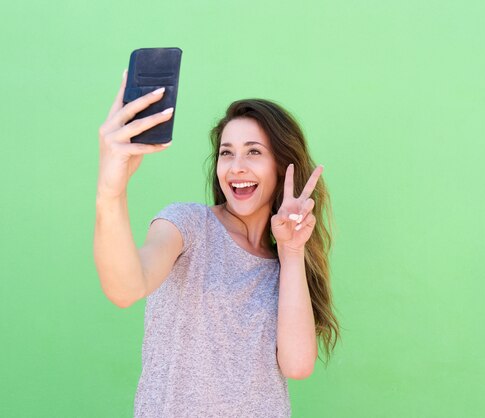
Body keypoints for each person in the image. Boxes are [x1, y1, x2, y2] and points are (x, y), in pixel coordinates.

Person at [94, 69, 340, 417]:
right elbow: (125, 287)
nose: (236, 167)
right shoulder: (187, 225)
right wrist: (110, 192)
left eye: (254, 152)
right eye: (227, 153)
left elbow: (297, 365)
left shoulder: (285, 264)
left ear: (282, 166)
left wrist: (292, 249)